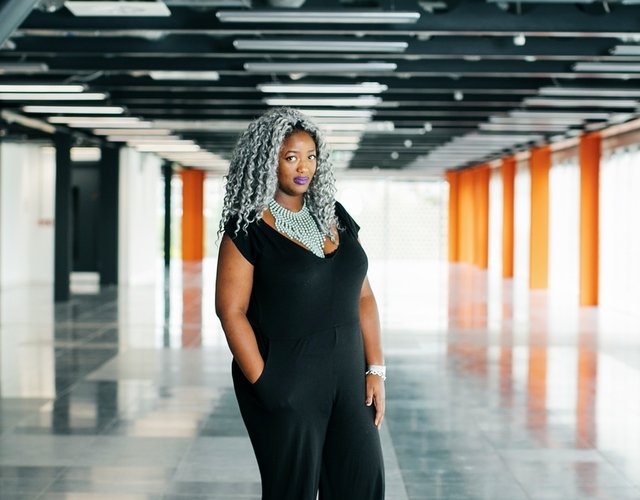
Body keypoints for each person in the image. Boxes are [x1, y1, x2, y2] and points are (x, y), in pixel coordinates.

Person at [215, 107, 386, 500]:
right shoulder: (248, 229)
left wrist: (375, 368)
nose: (303, 167)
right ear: (266, 160)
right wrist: (266, 382)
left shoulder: (335, 216)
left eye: (311, 156)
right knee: (292, 492)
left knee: (363, 485)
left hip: (348, 378)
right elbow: (231, 311)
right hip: (288, 381)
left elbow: (363, 294)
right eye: (290, 157)